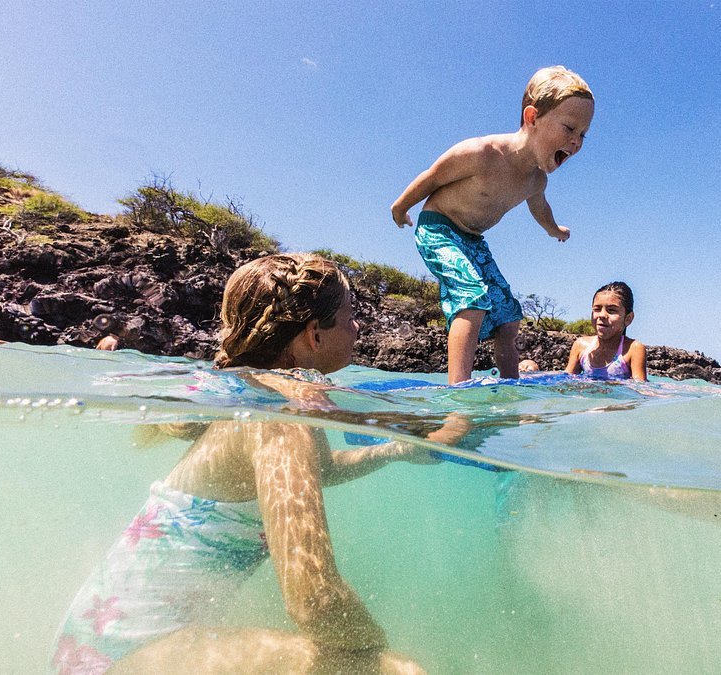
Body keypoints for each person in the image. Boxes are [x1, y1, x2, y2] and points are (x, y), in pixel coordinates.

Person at [52, 253, 440, 674]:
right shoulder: (281, 420)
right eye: (350, 316)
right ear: (314, 334)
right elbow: (315, 599)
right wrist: (373, 654)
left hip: (99, 644)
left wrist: (395, 450)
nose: (357, 327)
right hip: (125, 655)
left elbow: (317, 470)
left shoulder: (259, 397)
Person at [391, 65, 594, 385]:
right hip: (438, 229)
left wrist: (554, 230)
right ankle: (459, 389)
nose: (576, 142)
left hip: (472, 240)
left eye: (582, 134)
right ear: (532, 117)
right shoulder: (481, 153)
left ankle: (511, 386)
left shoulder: (536, 180)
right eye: (569, 128)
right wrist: (401, 207)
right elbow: (432, 177)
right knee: (471, 296)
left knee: (508, 316)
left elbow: (541, 209)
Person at [564, 281, 647, 381]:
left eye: (611, 310)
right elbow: (566, 381)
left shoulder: (633, 349)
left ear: (628, 318)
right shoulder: (580, 346)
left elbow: (641, 389)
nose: (602, 315)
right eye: (597, 309)